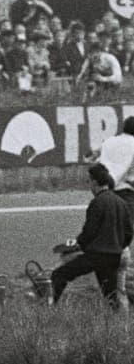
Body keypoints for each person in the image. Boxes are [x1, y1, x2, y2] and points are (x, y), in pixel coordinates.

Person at [51, 164, 133, 308]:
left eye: (89, 181)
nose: (89, 186)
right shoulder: (121, 203)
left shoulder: (97, 203)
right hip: (114, 256)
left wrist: (76, 245)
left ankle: (49, 306)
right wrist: (117, 246)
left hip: (96, 256)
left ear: (95, 182)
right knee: (111, 295)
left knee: (59, 275)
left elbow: (89, 233)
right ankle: (117, 322)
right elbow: (129, 233)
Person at [94, 116, 134, 309]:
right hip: (125, 193)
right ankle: (122, 292)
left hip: (104, 193)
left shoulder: (110, 141)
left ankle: (113, 292)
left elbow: (98, 164)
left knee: (108, 240)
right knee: (124, 242)